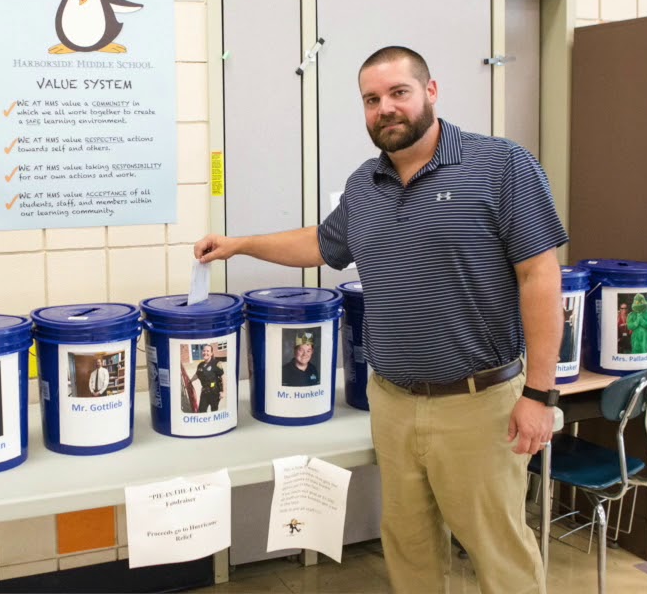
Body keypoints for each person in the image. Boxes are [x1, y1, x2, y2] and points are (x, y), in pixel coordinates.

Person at [194, 46, 565, 593]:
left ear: (430, 92)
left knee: (498, 552)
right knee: (410, 551)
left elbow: (541, 277)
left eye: (398, 93)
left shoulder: (501, 166)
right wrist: (240, 244)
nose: (385, 109)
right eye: (372, 100)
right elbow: (321, 243)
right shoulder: (366, 184)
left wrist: (540, 393)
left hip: (479, 404)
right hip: (391, 402)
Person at [193, 343, 225, 412]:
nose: (205, 353)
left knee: (214, 411)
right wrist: (190, 381)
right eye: (204, 351)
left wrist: (223, 391)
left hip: (214, 392)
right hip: (204, 392)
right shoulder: (200, 365)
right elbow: (197, 375)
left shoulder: (216, 363)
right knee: (201, 411)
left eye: (207, 351)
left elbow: (222, 377)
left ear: (211, 353)